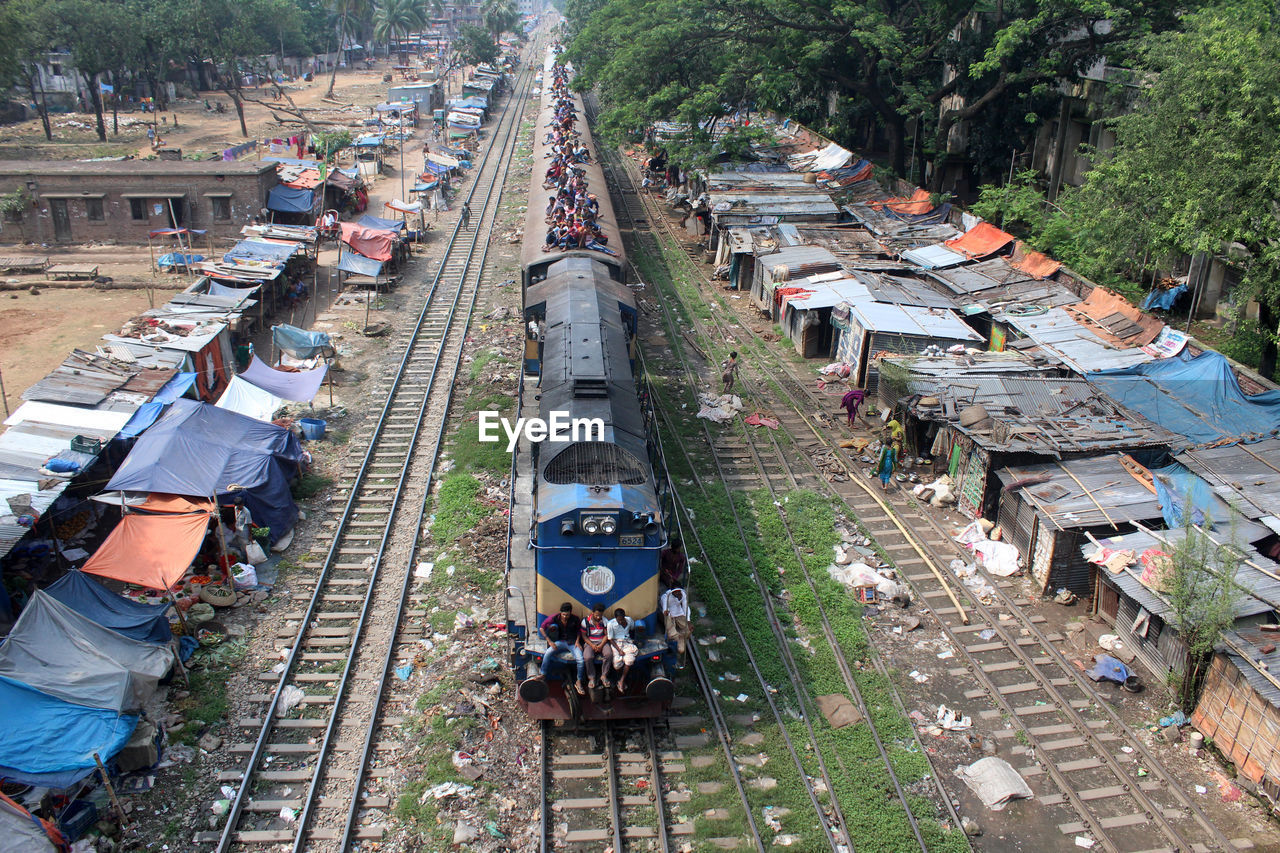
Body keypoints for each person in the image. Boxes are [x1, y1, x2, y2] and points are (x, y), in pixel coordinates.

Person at [533, 602, 583, 687]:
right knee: (548, 653)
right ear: (560, 613)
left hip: (572, 642)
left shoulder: (575, 619)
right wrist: (550, 641)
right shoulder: (554, 617)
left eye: (567, 615)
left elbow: (579, 631)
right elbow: (542, 628)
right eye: (563, 614)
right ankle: (543, 673)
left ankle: (579, 680)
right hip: (560, 642)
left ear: (570, 613)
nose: (565, 616)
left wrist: (577, 641)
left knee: (580, 660)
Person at [579, 603, 611, 691]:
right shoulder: (585, 621)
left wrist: (601, 645)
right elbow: (584, 636)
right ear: (592, 613)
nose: (598, 617)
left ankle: (604, 675)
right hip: (590, 642)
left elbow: (607, 635)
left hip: (602, 642)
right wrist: (592, 645)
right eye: (597, 615)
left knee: (608, 654)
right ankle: (591, 677)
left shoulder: (605, 621)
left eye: (600, 615)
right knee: (587, 657)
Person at [607, 607, 637, 692]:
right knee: (617, 664)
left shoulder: (629, 620)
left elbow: (632, 629)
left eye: (622, 619)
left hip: (627, 642)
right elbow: (610, 639)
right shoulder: (610, 624)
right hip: (616, 644)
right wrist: (619, 650)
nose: (620, 622)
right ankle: (619, 678)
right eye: (618, 620)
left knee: (629, 660)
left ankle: (622, 681)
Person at [661, 587, 692, 668]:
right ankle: (675, 636)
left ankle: (680, 637)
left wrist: (688, 621)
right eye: (676, 593)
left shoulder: (682, 594)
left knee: (688, 630)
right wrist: (666, 613)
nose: (679, 594)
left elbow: (685, 607)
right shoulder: (666, 597)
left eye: (679, 592)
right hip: (670, 616)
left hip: (679, 614)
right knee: (671, 632)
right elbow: (665, 609)